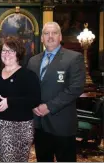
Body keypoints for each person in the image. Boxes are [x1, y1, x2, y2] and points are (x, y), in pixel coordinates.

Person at [27, 21, 85, 162]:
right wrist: (32, 104)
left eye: (54, 33)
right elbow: (28, 87)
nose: (50, 36)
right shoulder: (33, 61)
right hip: (39, 124)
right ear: (41, 38)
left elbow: (75, 88)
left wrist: (49, 106)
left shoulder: (74, 58)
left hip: (62, 124)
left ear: (60, 37)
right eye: (46, 33)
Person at [0, 36, 41, 162]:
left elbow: (34, 99)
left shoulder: (28, 75)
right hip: (1, 126)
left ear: (18, 54)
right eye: (4, 50)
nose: (6, 54)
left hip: (22, 127)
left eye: (11, 51)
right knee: (4, 159)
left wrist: (9, 101)